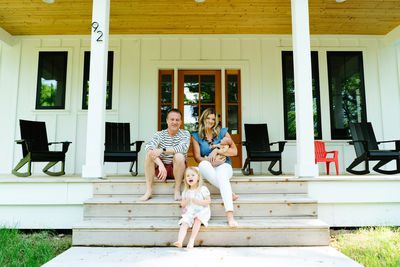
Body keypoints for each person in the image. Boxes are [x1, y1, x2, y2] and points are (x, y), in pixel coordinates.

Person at [191, 108, 239, 228]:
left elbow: (235, 151)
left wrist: (217, 150)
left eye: (213, 119)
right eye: (208, 118)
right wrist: (212, 162)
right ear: (203, 119)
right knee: (202, 165)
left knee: (222, 175)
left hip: (224, 165)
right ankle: (228, 191)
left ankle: (230, 215)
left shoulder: (223, 132)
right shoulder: (196, 136)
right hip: (209, 167)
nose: (211, 121)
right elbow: (197, 158)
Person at [139, 109, 190, 201]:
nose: (174, 122)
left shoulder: (185, 134)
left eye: (177, 120)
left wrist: (162, 150)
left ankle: (177, 191)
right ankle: (149, 191)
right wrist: (160, 164)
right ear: (167, 121)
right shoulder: (159, 134)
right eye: (172, 119)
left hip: (178, 169)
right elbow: (148, 147)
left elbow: (183, 148)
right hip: (161, 171)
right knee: (148, 155)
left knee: (179, 156)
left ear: (181, 122)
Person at [173, 167, 211, 249]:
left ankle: (191, 240)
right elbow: (182, 204)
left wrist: (198, 202)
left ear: (198, 178)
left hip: (201, 210)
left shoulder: (202, 189)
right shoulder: (186, 191)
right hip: (190, 211)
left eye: (193, 175)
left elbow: (208, 201)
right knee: (184, 222)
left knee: (197, 220)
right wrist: (187, 200)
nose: (190, 177)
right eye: (187, 176)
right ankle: (180, 241)